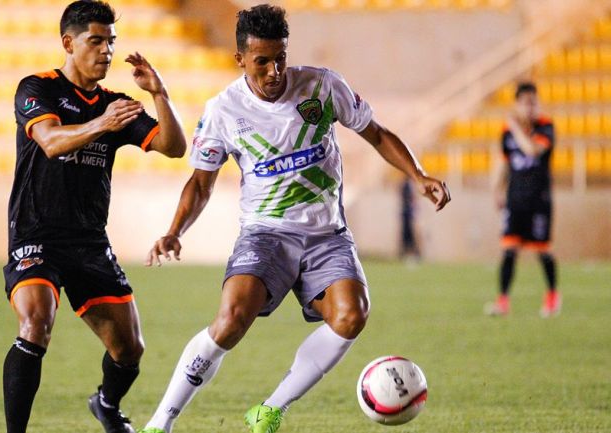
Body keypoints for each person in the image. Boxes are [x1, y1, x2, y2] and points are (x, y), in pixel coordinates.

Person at [138, 5, 450, 433]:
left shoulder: (321, 86)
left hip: (327, 236)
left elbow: (375, 132)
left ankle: (270, 409)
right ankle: (162, 421)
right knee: (230, 319)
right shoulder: (223, 110)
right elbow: (200, 183)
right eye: (262, 60)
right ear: (241, 60)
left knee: (352, 315)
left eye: (280, 57)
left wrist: (417, 175)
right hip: (265, 235)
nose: (273, 70)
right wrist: (174, 231)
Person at [1, 2, 186, 433]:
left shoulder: (116, 105)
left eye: (111, 42)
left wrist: (159, 94)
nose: (106, 51)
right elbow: (49, 141)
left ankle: (105, 403)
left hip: (89, 242)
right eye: (96, 41)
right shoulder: (37, 88)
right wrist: (102, 125)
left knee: (130, 349)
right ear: (69, 42)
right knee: (36, 321)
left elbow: (173, 147)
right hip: (36, 233)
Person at [487, 81, 560, 318]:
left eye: (534, 102)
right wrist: (497, 190)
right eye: (526, 103)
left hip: (539, 198)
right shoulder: (506, 133)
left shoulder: (546, 127)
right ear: (517, 105)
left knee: (543, 251)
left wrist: (516, 128)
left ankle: (551, 297)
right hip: (515, 198)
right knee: (509, 250)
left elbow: (531, 150)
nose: (531, 107)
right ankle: (502, 302)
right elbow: (504, 163)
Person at [398, 176, 421, 262]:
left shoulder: (411, 185)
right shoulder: (406, 185)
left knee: (412, 235)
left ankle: (415, 255)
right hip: (407, 215)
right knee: (407, 236)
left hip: (411, 215)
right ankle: (407, 255)